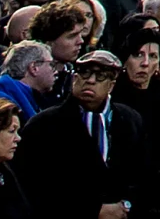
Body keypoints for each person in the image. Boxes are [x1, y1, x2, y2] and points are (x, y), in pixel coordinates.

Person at [18, 54, 139, 219]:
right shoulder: (43, 125)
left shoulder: (130, 120)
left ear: (111, 86)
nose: (90, 80)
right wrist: (93, 210)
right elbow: (32, 186)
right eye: (85, 73)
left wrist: (126, 205)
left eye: (100, 76)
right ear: (74, 78)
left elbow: (141, 174)